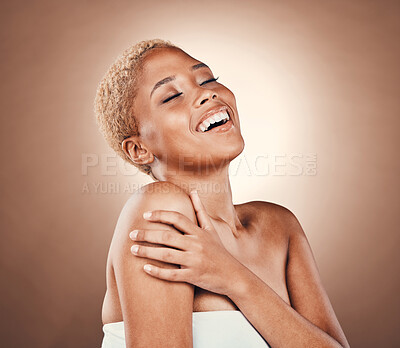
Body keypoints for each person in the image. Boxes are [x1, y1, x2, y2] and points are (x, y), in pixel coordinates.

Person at [94, 39, 350, 348]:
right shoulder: (160, 210)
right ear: (139, 149)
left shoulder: (279, 226)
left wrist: (234, 277)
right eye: (172, 95)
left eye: (208, 79)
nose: (207, 92)